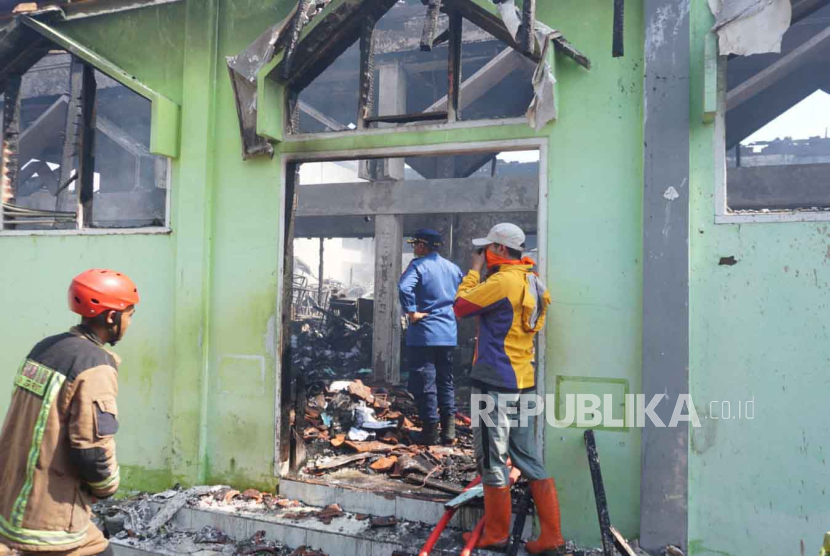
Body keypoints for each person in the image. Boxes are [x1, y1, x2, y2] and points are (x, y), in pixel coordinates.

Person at [0, 269, 140, 556]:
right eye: (129, 314)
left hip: (12, 496)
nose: (129, 322)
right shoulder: (95, 366)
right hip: (50, 515)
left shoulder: (46, 348)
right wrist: (107, 486)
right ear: (112, 317)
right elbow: (91, 448)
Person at [454, 223, 569, 555]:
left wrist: (474, 271)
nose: (484, 255)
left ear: (501, 250)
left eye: (487, 249)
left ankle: (496, 534)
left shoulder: (501, 282)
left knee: (492, 458)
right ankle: (552, 537)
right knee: (527, 456)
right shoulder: (533, 281)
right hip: (524, 382)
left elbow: (461, 306)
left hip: (495, 384)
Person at [398, 228, 463, 445]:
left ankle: (430, 433)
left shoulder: (419, 265)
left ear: (422, 246)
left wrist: (412, 311)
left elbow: (404, 287)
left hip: (425, 334)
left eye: (416, 244)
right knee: (446, 381)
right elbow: (464, 294)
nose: (414, 248)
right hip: (448, 333)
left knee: (425, 382)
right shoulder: (453, 269)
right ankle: (449, 432)